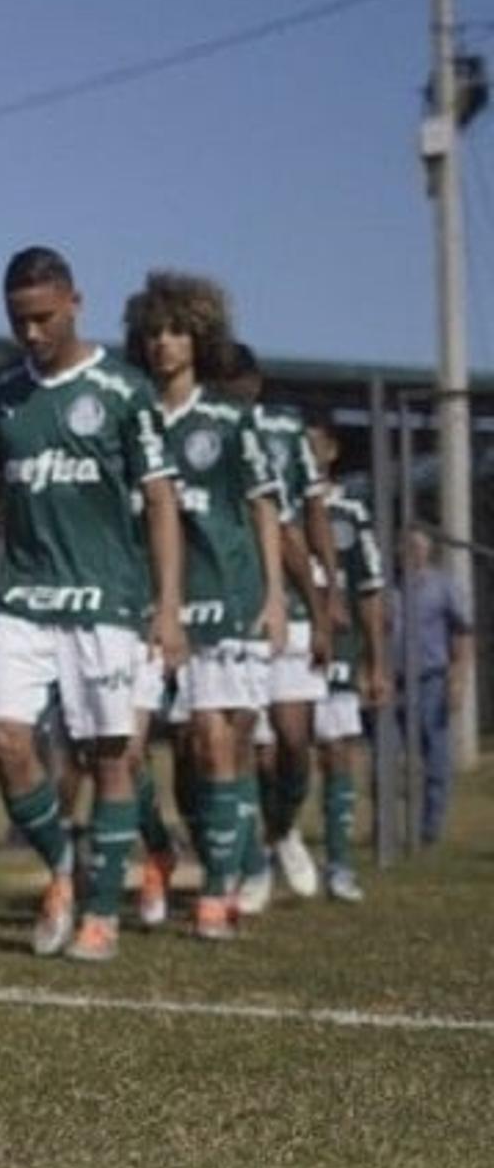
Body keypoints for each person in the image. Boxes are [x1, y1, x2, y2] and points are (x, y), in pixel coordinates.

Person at [0, 246, 185, 962]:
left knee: (111, 757)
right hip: (23, 600)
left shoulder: (124, 392)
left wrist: (167, 605)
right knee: (5, 740)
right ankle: (62, 870)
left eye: (42, 318)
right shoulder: (1, 395)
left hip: (107, 602)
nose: (31, 333)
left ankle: (103, 913)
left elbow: (159, 500)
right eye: (17, 320)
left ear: (74, 303)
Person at [122, 271, 284, 942]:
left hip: (224, 597)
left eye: (177, 331)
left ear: (200, 338)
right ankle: (163, 847)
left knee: (217, 740)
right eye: (155, 332)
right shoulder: (127, 415)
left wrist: (274, 596)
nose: (164, 344)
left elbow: (263, 509)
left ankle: (221, 888)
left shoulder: (230, 421)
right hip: (144, 601)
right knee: (120, 748)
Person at [220, 344, 336, 905]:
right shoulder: (200, 431)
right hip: (225, 606)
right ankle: (253, 862)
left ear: (255, 383)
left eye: (239, 384)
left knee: (293, 742)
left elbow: (300, 519)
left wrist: (324, 598)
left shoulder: (282, 432)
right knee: (241, 743)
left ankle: (282, 828)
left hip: (287, 601)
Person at [304, 417, 388, 897]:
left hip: (335, 651)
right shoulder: (277, 505)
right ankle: (277, 845)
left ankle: (338, 862)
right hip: (285, 644)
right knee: (275, 753)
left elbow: (371, 592)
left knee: (336, 753)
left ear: (331, 450)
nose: (305, 450)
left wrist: (375, 663)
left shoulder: (350, 512)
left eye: (313, 443)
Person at [392, 526, 473, 846]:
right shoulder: (388, 587)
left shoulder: (443, 587)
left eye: (417, 546)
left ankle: (430, 829)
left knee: (435, 755)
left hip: (431, 679)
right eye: (406, 546)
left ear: (429, 550)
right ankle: (388, 828)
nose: (412, 552)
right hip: (394, 680)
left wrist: (459, 678)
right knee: (388, 755)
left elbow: (462, 632)